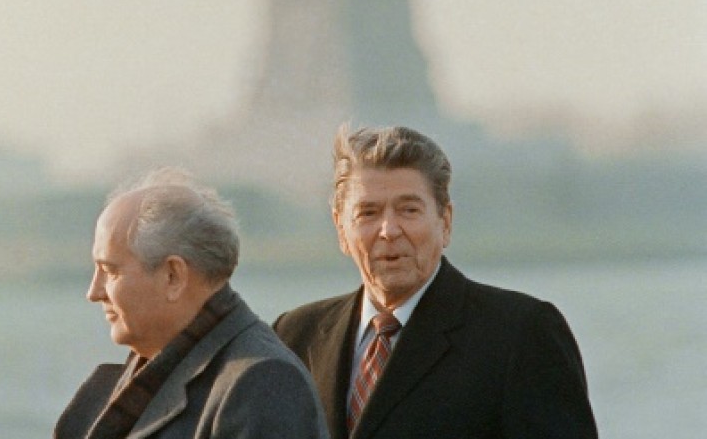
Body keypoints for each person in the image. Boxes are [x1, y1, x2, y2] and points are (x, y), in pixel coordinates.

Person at [273, 124, 597, 439]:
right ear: (341, 229)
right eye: (368, 213)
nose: (389, 230)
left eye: (409, 210)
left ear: (445, 222)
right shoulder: (295, 335)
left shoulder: (520, 334)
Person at [54, 167, 329, 439]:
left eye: (111, 271)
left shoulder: (263, 384)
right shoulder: (132, 380)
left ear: (173, 276)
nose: (94, 292)